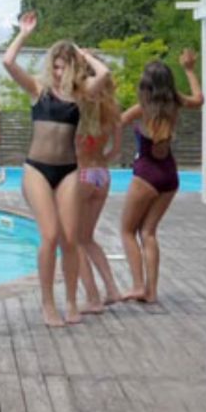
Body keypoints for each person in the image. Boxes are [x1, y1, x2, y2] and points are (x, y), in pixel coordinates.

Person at [2, 11, 110, 326]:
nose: (60, 71)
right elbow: (8, 62)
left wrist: (80, 52)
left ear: (74, 67)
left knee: (71, 239)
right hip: (37, 169)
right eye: (57, 65)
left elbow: (103, 74)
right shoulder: (38, 90)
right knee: (49, 236)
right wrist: (24, 33)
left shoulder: (81, 94)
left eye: (66, 65)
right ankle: (48, 304)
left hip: (68, 171)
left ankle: (73, 302)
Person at [119, 49, 203, 304]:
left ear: (146, 86)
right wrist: (189, 70)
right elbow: (199, 99)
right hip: (169, 175)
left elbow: (114, 123)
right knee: (149, 233)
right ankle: (151, 292)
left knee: (126, 231)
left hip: (146, 174)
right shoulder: (176, 103)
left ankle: (136, 286)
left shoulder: (141, 109)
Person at [73, 49, 123, 313]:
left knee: (74, 240)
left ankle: (92, 298)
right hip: (102, 175)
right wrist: (100, 157)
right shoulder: (113, 107)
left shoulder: (78, 103)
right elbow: (116, 151)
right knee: (88, 237)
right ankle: (112, 290)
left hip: (81, 173)